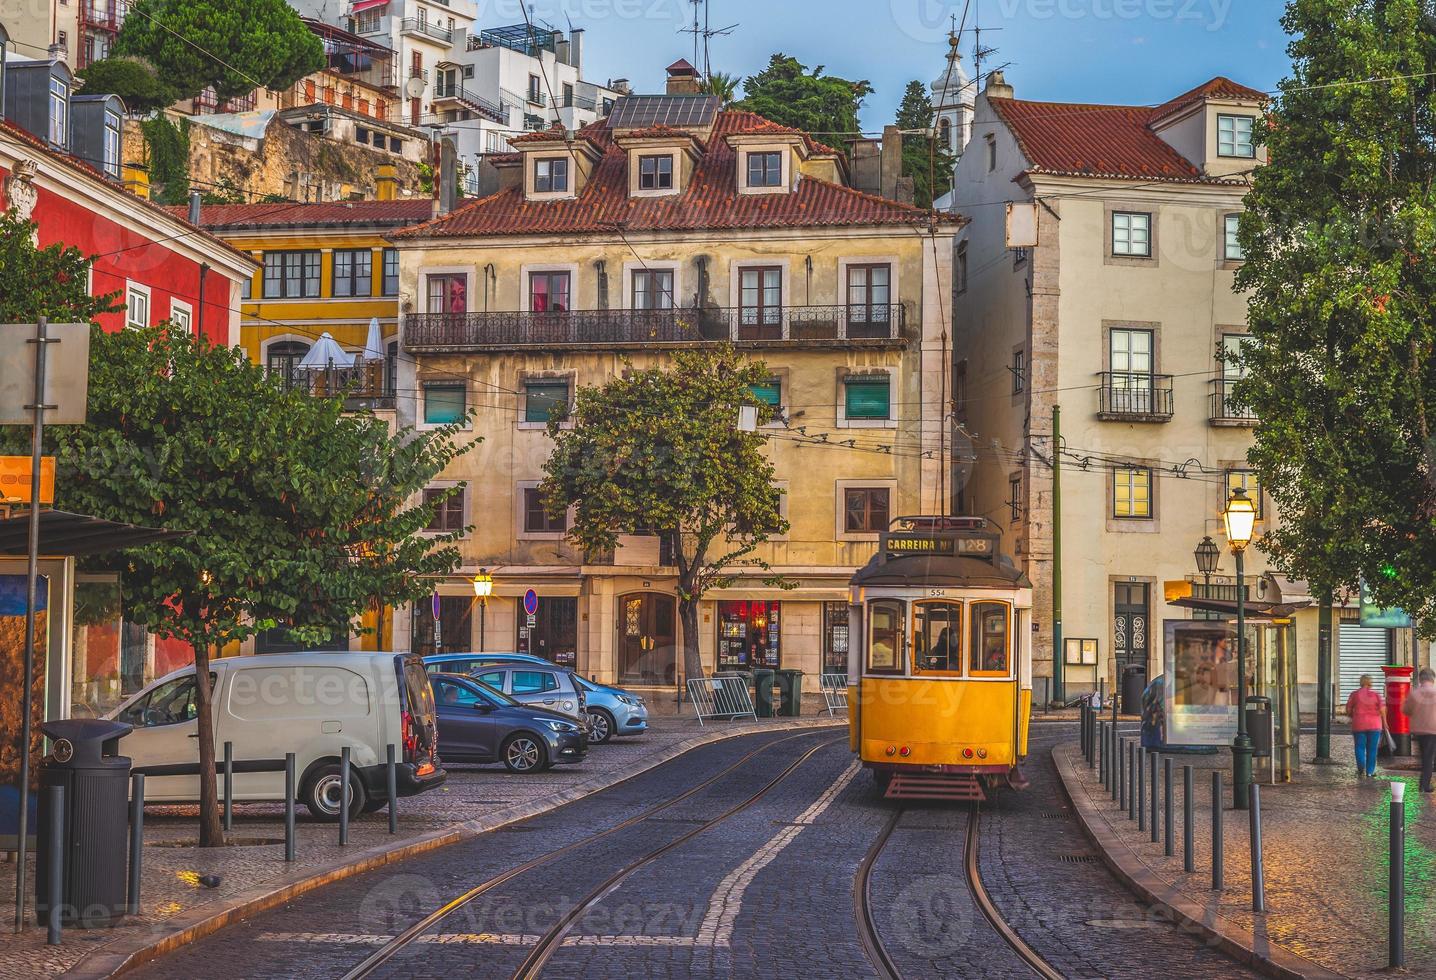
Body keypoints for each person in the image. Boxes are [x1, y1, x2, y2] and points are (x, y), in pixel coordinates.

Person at [1403, 668, 1436, 793]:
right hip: (1434, 730)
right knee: (1429, 758)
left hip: (1420, 731)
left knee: (1425, 758)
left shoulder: (1415, 693)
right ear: (1432, 679)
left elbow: (1406, 710)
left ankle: (1424, 783)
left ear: (1421, 679)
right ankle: (1424, 785)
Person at [1344, 674, 1384, 778]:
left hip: (1359, 724)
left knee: (1359, 747)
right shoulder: (1376, 695)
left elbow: (1348, 709)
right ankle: (1370, 772)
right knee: (1372, 749)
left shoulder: (1354, 694)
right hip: (1375, 725)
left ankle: (1361, 767)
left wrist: (1353, 715)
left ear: (1361, 682)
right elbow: (1382, 710)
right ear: (1370, 683)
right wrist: (1386, 723)